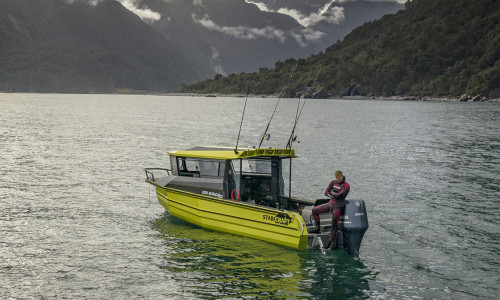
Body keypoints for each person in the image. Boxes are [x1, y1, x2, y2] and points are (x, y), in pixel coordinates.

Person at [309, 171, 350, 241]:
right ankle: (317, 228)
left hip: (338, 206)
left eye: (339, 178)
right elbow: (326, 192)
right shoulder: (333, 182)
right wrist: (333, 194)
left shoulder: (346, 185)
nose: (338, 179)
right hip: (330, 203)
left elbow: (339, 195)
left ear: (342, 176)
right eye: (336, 178)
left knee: (333, 223)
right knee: (315, 210)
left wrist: (332, 194)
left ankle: (330, 242)